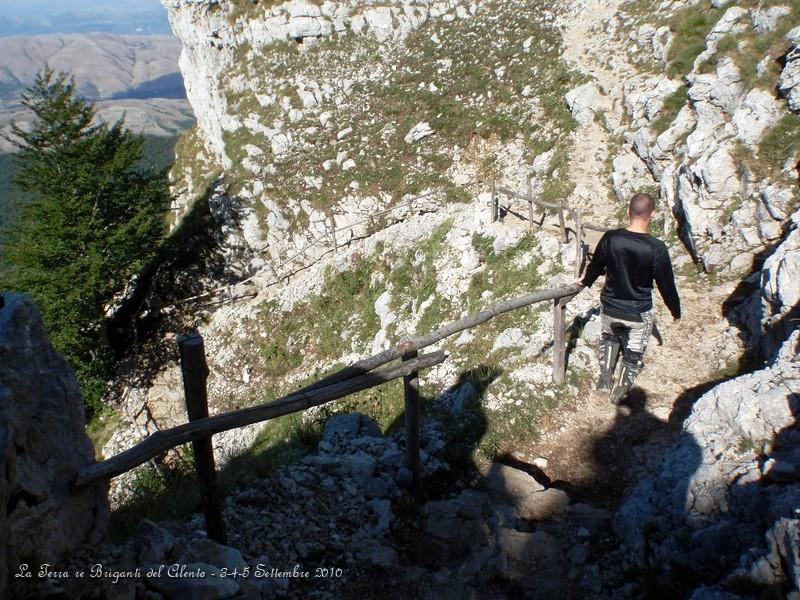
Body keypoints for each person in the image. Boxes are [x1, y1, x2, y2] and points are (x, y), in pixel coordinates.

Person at [576, 192, 681, 405]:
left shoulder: (612, 238)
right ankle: (621, 390)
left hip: (610, 305)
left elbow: (596, 265)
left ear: (627, 212)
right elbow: (666, 285)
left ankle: (605, 379)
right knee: (633, 353)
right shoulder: (656, 248)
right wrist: (675, 311)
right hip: (638, 311)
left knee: (609, 337)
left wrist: (585, 281)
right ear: (652, 214)